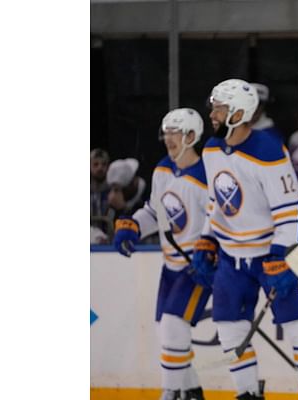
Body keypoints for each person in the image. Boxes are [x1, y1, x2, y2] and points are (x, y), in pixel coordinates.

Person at [194, 79, 298, 400]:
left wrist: (283, 255)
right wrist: (207, 240)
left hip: (273, 254)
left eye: (219, 109)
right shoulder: (210, 149)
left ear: (238, 112)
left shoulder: (267, 150)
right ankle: (247, 393)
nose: (212, 114)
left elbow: (291, 210)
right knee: (229, 327)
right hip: (232, 258)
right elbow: (216, 203)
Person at [111, 108, 211, 400]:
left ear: (191, 136)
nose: (169, 139)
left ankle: (170, 393)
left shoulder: (207, 175)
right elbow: (156, 212)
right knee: (165, 330)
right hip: (171, 266)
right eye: (166, 133)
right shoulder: (163, 169)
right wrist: (133, 226)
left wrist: (211, 251)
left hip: (197, 266)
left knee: (172, 326)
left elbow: (219, 219)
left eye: (175, 133)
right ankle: (191, 391)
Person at [91, 148, 113, 238]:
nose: (100, 168)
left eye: (104, 164)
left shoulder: (114, 191)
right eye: (95, 164)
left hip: (110, 242)